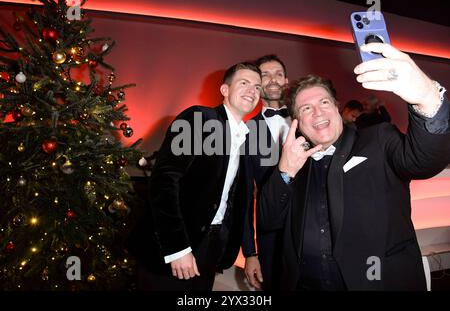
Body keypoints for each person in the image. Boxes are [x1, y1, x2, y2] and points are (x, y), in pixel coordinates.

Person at [258, 43, 450, 290]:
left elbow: (424, 161)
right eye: (306, 108)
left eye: (324, 102)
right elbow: (267, 220)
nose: (317, 112)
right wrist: (285, 171)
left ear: (337, 108)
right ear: (297, 120)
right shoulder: (295, 161)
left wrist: (426, 97)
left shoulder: (377, 139)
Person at [128, 62, 262, 291]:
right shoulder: (199, 118)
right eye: (244, 83)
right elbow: (164, 181)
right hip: (173, 248)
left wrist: (250, 253)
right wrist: (177, 248)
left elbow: (242, 200)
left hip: (211, 249)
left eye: (257, 87)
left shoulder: (247, 139)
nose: (252, 91)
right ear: (225, 90)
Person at [242, 55, 290, 290]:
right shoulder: (245, 131)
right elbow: (242, 197)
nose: (273, 80)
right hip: (271, 235)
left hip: (316, 229)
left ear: (286, 81)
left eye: (278, 74)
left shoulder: (311, 120)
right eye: (265, 75)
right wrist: (250, 252)